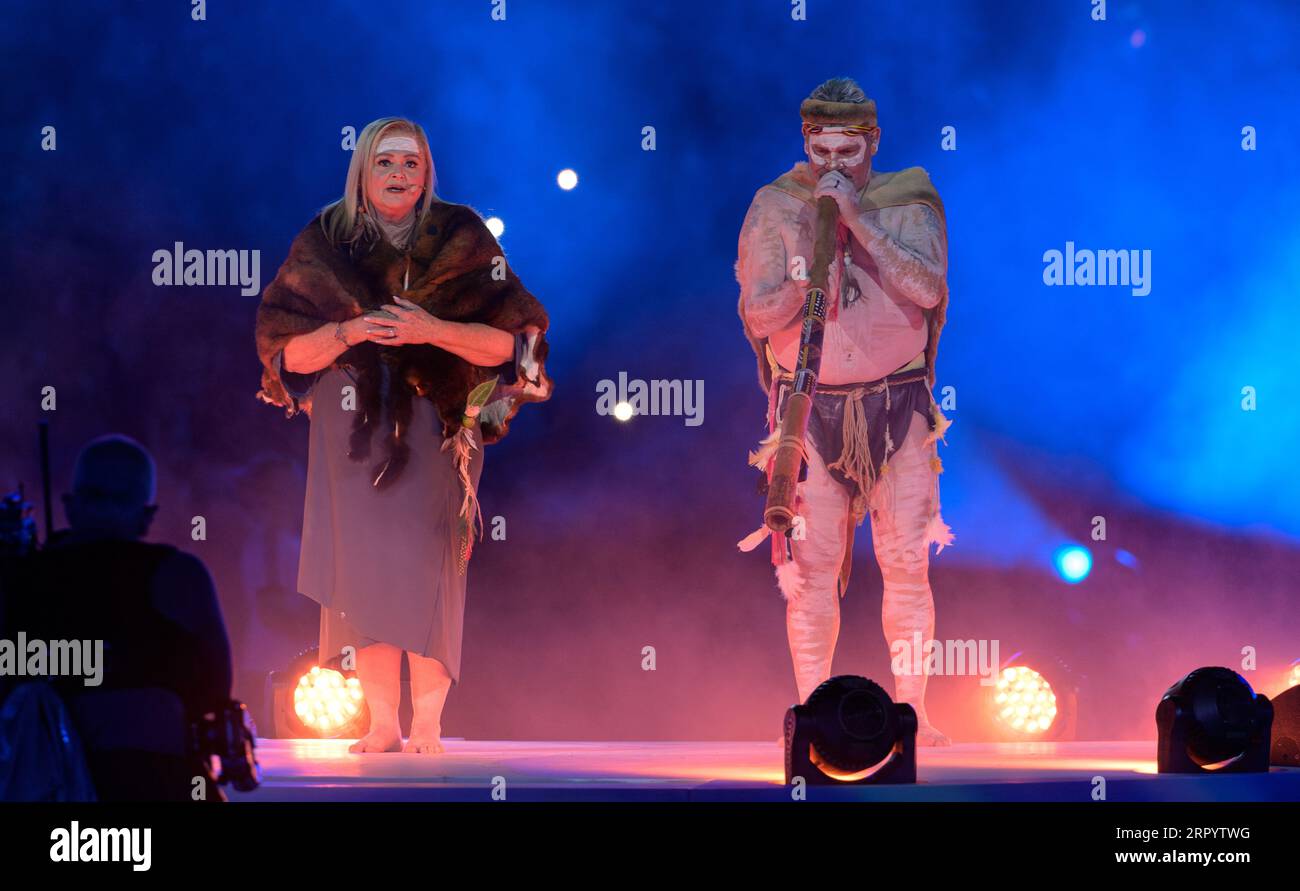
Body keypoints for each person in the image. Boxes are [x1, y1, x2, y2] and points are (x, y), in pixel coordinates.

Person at [255, 117, 552, 754]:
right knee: (363, 572)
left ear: (427, 171)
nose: (399, 175)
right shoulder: (325, 240)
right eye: (385, 162)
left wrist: (431, 332)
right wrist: (351, 332)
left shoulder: (462, 236)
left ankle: (428, 728)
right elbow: (286, 358)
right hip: (349, 430)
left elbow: (518, 347)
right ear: (363, 167)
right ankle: (382, 723)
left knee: (430, 571)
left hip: (434, 422)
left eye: (411, 163)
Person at [737, 78, 954, 745]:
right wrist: (808, 284)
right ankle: (812, 713)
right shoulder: (775, 206)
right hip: (812, 408)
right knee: (812, 567)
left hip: (898, 400)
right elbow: (754, 310)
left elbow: (927, 287)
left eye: (849, 151)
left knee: (906, 558)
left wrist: (858, 221)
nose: (835, 164)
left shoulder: (907, 197)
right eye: (822, 150)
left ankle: (911, 712)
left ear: (873, 144)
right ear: (805, 143)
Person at [13, 434, 233, 799]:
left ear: (69, 505)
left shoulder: (23, 576)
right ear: (147, 516)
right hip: (164, 785)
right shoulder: (181, 575)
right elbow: (214, 693)